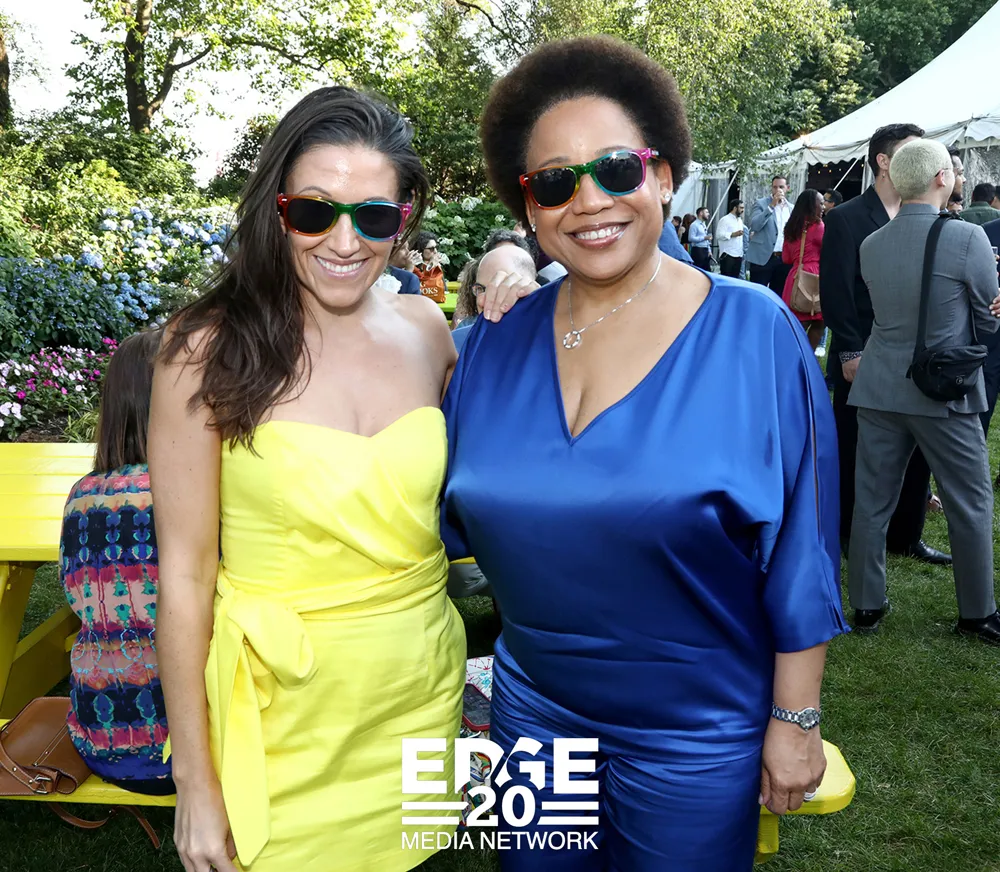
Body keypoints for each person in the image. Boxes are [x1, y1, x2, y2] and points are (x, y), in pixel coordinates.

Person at [444, 36, 847, 871]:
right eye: (555, 182)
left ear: (664, 176)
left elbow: (803, 547)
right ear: (529, 206)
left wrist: (796, 717)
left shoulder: (754, 331)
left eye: (618, 168)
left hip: (698, 731)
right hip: (530, 717)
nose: (589, 199)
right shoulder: (488, 346)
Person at [148, 86, 526, 872]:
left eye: (375, 216)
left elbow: (537, 406)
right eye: (316, 212)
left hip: (417, 691)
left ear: (405, 219)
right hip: (279, 714)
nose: (346, 241)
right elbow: (183, 575)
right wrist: (195, 781)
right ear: (276, 210)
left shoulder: (426, 331)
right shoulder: (204, 349)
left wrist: (513, 267)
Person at [848, 139, 1000, 642]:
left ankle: (866, 605)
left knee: (872, 502)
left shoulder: (872, 243)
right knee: (970, 502)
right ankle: (977, 613)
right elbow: (987, 321)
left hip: (879, 387)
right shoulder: (967, 237)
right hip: (942, 393)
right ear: (941, 178)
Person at [819, 122, 950, 566]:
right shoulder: (846, 217)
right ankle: (847, 532)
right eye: (913, 152)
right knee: (856, 448)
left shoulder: (930, 216)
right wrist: (849, 352)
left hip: (918, 358)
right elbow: (837, 293)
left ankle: (907, 535)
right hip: (863, 355)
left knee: (917, 452)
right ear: (884, 161)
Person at [60, 329, 173, 797]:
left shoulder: (80, 497)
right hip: (194, 747)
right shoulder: (192, 493)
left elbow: (76, 594)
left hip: (98, 737)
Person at [453, 243, 538, 351]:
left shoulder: (549, 338)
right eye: (480, 289)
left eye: (500, 287)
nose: (481, 301)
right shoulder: (459, 343)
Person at [781, 189, 826, 349]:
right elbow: (829, 251)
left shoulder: (791, 227)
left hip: (795, 276)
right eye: (821, 203)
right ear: (811, 205)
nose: (823, 207)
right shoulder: (818, 226)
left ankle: (792, 355)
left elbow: (786, 258)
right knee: (818, 323)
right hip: (814, 275)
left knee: (796, 324)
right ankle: (808, 357)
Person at [746, 175, 792, 293]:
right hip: (763, 257)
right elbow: (754, 225)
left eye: (781, 187)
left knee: (778, 294)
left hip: (783, 258)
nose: (778, 190)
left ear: (787, 188)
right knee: (758, 294)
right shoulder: (761, 204)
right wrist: (771, 206)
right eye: (775, 187)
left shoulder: (791, 208)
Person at [411, 230, 447, 302]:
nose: (435, 251)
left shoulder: (436, 266)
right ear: (420, 250)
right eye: (431, 249)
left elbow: (444, 290)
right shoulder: (410, 266)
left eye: (436, 247)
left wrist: (433, 266)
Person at [716, 199, 745, 277]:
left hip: (738, 254)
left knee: (735, 279)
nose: (743, 210)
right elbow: (718, 235)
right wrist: (732, 234)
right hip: (728, 254)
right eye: (741, 208)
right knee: (726, 278)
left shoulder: (740, 220)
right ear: (735, 208)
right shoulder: (725, 220)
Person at [687, 205, 712, 269]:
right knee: (698, 269)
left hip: (705, 250)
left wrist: (709, 250)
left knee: (706, 269)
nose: (708, 214)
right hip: (698, 250)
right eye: (706, 212)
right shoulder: (694, 225)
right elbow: (690, 238)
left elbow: (706, 239)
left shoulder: (703, 224)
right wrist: (704, 238)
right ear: (701, 213)